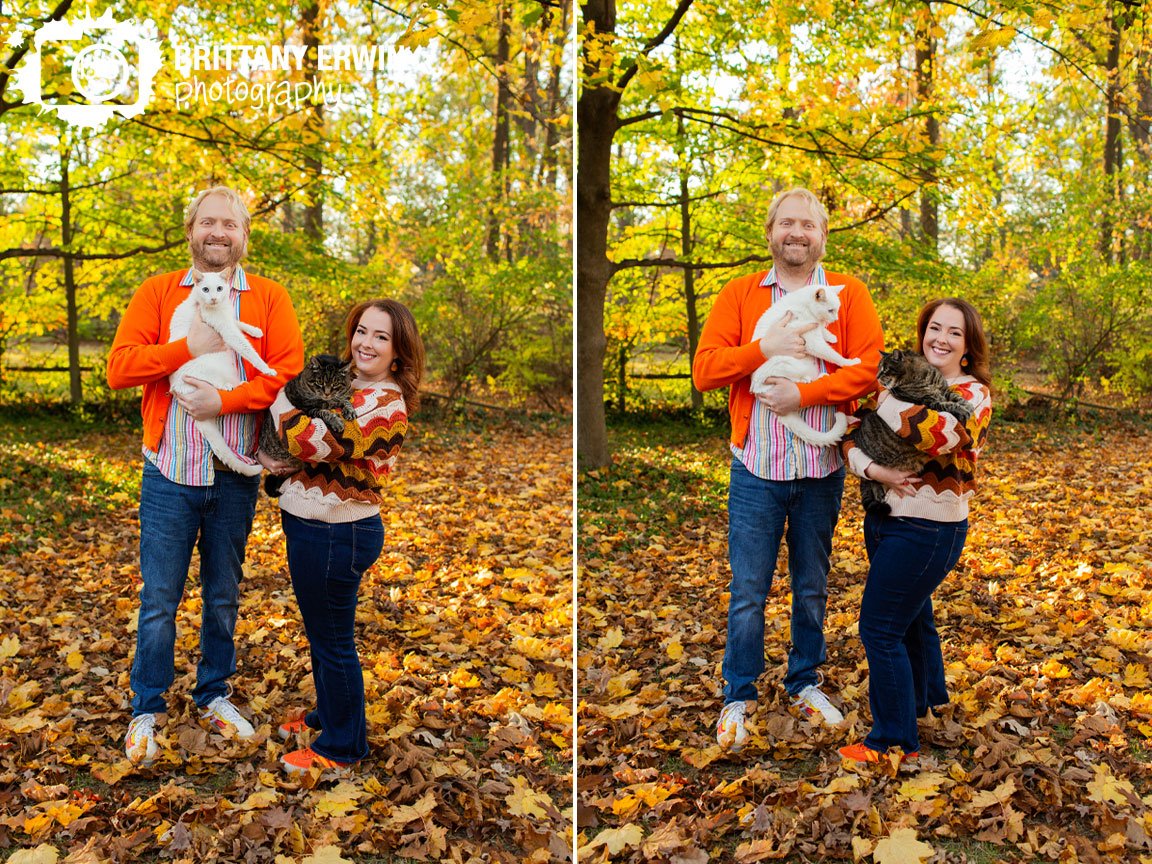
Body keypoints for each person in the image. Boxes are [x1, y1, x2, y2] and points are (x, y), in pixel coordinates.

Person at [107, 186, 305, 765]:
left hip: (234, 475)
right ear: (191, 229)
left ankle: (213, 693)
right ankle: (148, 706)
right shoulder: (159, 292)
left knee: (222, 595)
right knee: (160, 598)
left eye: (230, 224)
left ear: (245, 235)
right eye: (208, 222)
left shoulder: (269, 298)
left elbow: (288, 376)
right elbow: (120, 367)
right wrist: (182, 348)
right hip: (169, 472)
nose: (218, 233)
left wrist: (227, 400)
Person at [692, 187, 884, 752]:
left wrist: (804, 393)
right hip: (755, 468)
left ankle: (804, 681)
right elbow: (705, 371)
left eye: (808, 225)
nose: (797, 233)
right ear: (771, 232)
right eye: (786, 224)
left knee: (811, 587)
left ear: (823, 236)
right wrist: (762, 348)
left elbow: (868, 370)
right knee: (749, 590)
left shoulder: (847, 295)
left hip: (820, 467)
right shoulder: (740, 294)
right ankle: (739, 692)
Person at [259, 298, 424, 774]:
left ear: (398, 352)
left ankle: (343, 747)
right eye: (361, 331)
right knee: (322, 633)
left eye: (381, 337)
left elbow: (312, 441)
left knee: (334, 641)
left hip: (338, 533)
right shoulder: (347, 384)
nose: (365, 343)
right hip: (311, 524)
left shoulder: (385, 404)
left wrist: (282, 402)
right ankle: (328, 715)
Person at [837, 298, 992, 764]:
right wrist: (875, 472)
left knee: (879, 629)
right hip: (884, 515)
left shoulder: (973, 395)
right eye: (934, 329)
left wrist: (883, 400)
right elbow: (849, 436)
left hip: (929, 529)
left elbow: (941, 435)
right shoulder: (900, 378)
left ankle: (893, 742)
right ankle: (924, 704)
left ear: (967, 347)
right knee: (911, 619)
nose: (940, 339)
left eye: (954, 333)